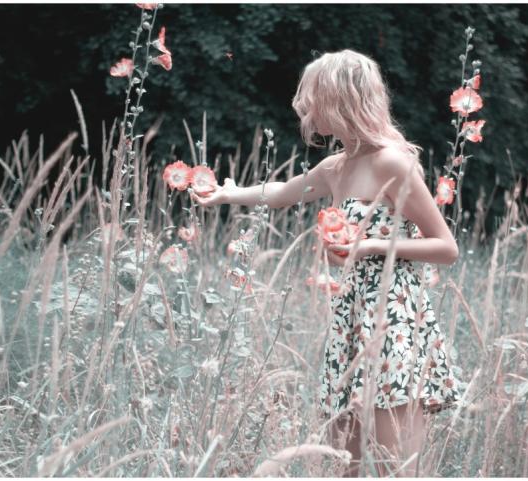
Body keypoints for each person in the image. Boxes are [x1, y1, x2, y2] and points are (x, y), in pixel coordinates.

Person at [191, 49, 463, 477]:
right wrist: (228, 194)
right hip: (350, 319)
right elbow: (282, 193)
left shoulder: (391, 161)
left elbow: (446, 247)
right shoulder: (337, 166)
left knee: (397, 469)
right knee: (343, 467)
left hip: (394, 322)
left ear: (340, 101)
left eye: (313, 99)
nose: (306, 110)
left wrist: (372, 245)